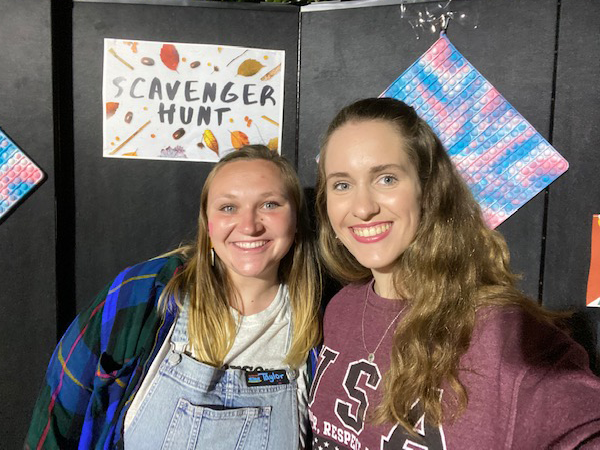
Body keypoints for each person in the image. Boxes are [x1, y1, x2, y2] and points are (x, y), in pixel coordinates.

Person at [308, 97, 600, 449]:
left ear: (428, 190)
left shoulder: (502, 332)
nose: (363, 207)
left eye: (386, 178)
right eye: (342, 184)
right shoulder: (341, 310)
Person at [26, 145, 321, 449]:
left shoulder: (321, 324)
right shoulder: (143, 294)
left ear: (296, 221)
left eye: (270, 204)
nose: (249, 225)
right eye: (229, 207)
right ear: (208, 223)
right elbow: (58, 416)